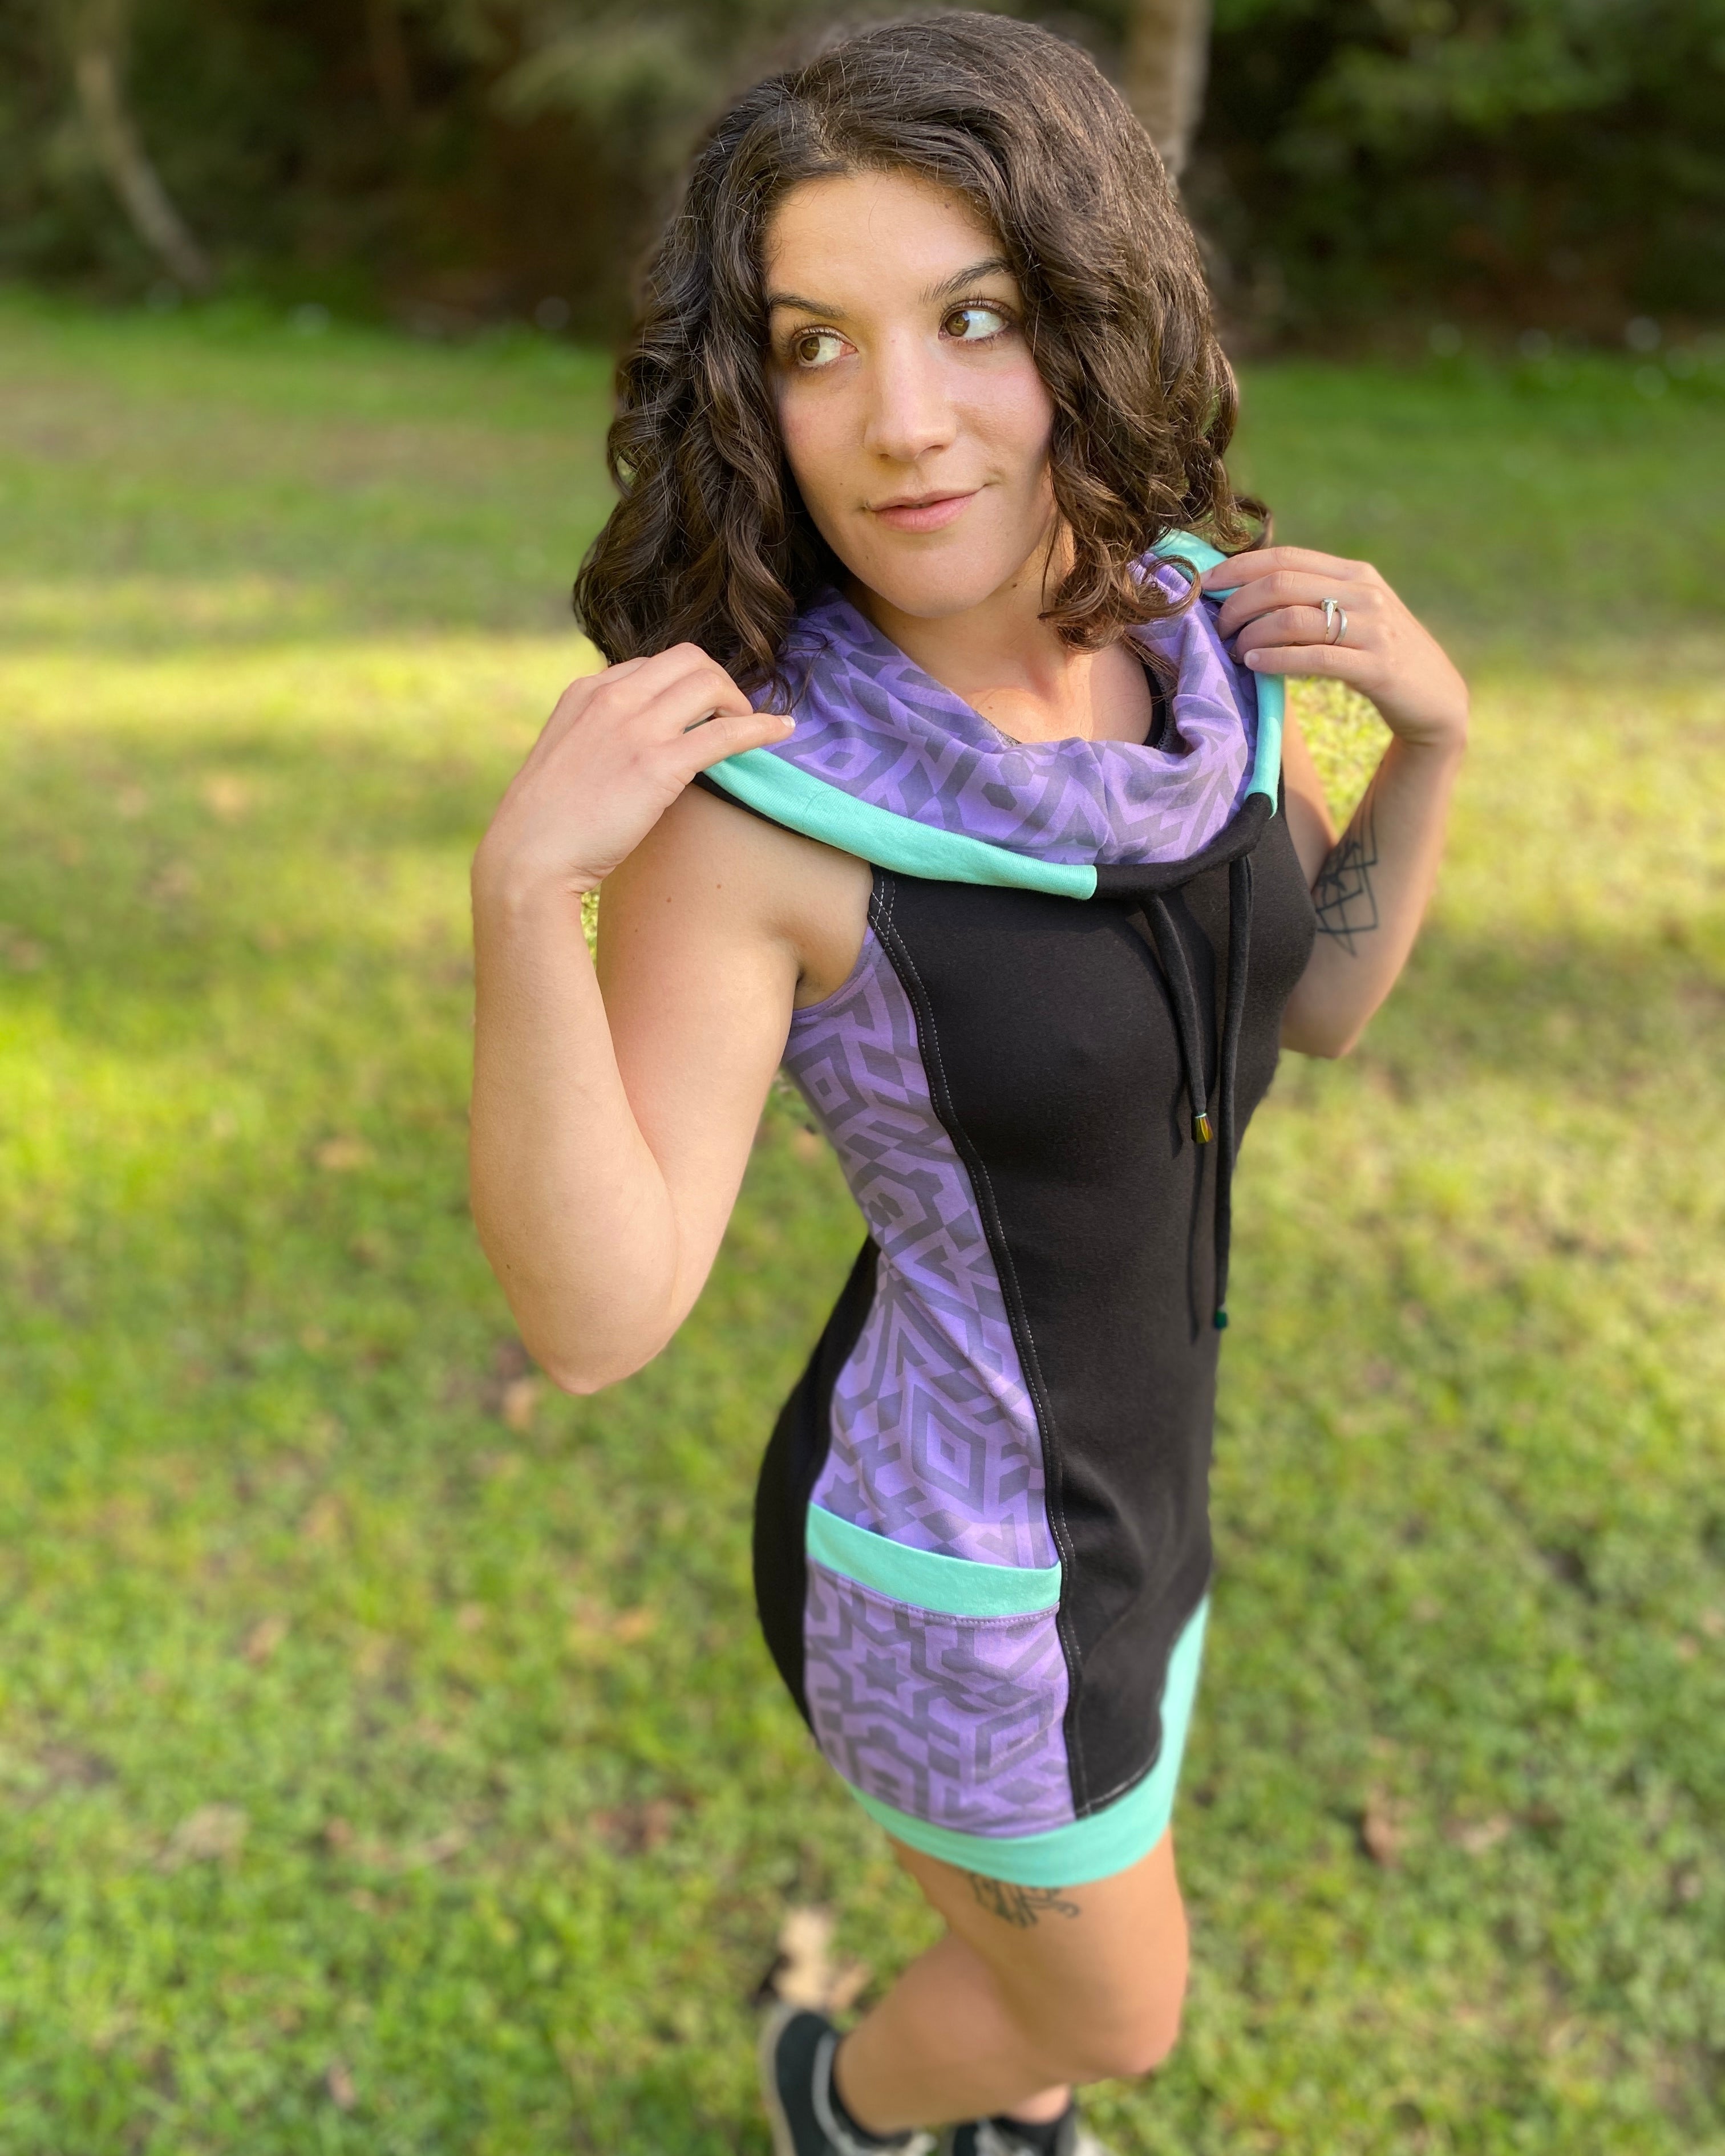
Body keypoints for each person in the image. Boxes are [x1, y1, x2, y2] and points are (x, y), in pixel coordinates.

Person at [468, 15, 1468, 2156]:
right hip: (954, 1570)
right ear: (747, 393)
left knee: (1051, 1995)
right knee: (1115, 2006)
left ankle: (984, 2113)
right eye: (815, 346)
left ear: (1090, 319)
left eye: (975, 318)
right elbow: (596, 1316)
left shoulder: (1187, 656)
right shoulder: (767, 804)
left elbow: (1311, 1000)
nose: (901, 423)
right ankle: (842, 2104)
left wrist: (1435, 745)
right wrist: (527, 899)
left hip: (1151, 1497)